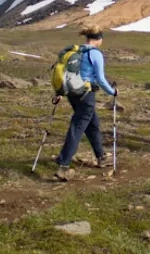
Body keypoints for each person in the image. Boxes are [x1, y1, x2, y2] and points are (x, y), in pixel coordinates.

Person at [54, 25, 117, 181]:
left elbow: (66, 73)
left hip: (73, 93)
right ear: (99, 39)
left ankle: (101, 157)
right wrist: (112, 92)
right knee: (77, 127)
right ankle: (63, 165)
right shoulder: (95, 54)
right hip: (86, 94)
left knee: (92, 124)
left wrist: (59, 93)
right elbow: (100, 79)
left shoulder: (77, 51)